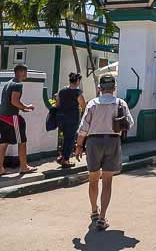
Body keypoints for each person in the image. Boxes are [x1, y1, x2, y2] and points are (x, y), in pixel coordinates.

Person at [75, 74, 134, 230]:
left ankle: (94, 211)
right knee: (107, 181)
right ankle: (102, 218)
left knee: (93, 178)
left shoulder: (92, 104)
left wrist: (79, 145)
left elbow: (83, 128)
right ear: (114, 89)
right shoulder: (120, 103)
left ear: (99, 88)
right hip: (113, 141)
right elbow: (130, 123)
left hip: (93, 142)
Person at [0, 64, 37, 175]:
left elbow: (10, 102)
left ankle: (0, 168)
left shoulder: (8, 83)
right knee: (22, 141)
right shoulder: (17, 85)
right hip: (12, 117)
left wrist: (21, 108)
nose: (26, 74)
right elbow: (14, 101)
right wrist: (26, 107)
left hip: (2, 116)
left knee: (3, 142)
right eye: (25, 71)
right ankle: (23, 167)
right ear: (20, 72)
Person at [55, 72, 86, 168]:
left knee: (65, 137)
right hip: (72, 118)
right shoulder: (77, 92)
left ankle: (62, 156)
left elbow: (57, 104)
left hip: (61, 117)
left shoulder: (62, 91)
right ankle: (66, 160)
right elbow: (83, 105)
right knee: (70, 139)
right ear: (77, 81)